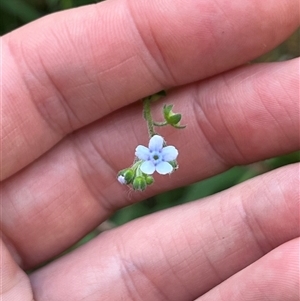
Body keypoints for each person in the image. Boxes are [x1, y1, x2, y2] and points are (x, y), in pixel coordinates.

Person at [1, 0, 299, 300]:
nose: (154, 158)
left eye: (154, 159)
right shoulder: (152, 152)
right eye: (151, 160)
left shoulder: (155, 151)